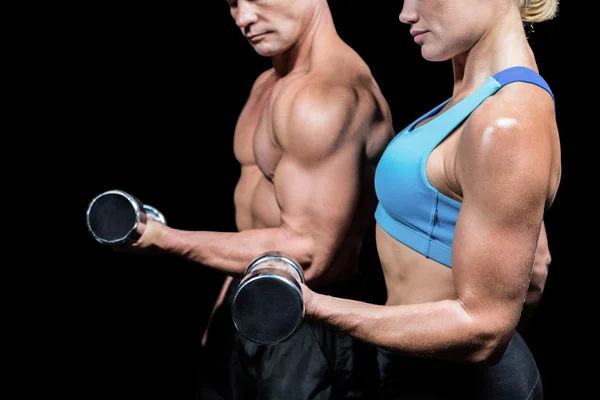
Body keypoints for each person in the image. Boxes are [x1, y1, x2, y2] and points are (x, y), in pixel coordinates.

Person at [114, 0, 395, 398]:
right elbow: (258, 223)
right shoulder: (269, 83)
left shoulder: (326, 95)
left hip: (306, 325)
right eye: (232, 4)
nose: (243, 19)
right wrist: (223, 309)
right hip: (245, 306)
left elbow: (308, 252)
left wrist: (165, 238)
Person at [298, 0, 561, 399]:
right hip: (417, 369)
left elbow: (485, 330)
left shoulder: (508, 119)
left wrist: (314, 307)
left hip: (462, 384)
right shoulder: (472, 96)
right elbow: (536, 263)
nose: (405, 14)